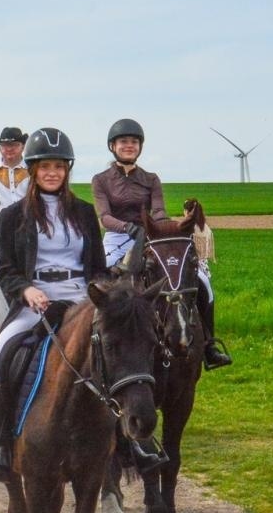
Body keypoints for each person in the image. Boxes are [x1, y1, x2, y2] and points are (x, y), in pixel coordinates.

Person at [0, 128, 111, 480]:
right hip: (34, 301)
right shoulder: (12, 217)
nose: (52, 173)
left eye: (58, 166)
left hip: (81, 301)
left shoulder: (84, 213)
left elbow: (99, 267)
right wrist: (26, 290)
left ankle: (129, 444)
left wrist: (98, 292)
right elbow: (5, 269)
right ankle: (3, 445)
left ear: (67, 170)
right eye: (44, 167)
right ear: (33, 170)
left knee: (120, 354)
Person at [91, 118, 232, 370]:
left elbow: (158, 212)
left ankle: (208, 344)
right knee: (96, 280)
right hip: (117, 239)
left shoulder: (151, 178)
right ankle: (94, 343)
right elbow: (104, 216)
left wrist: (177, 225)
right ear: (113, 146)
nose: (129, 146)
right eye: (124, 142)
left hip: (151, 236)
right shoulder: (101, 180)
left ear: (140, 146)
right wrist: (127, 227)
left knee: (202, 281)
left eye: (134, 142)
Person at [0, 126, 30, 207]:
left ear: (23, 147)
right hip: (1, 219)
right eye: (4, 145)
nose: (9, 149)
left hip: (29, 219)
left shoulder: (32, 171)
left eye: (14, 145)